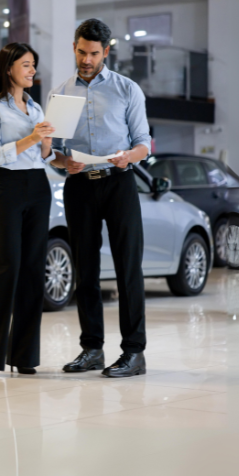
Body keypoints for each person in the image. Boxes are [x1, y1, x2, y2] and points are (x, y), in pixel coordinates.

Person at [49, 19, 152, 378]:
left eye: (93, 53)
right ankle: (91, 348)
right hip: (79, 185)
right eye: (81, 52)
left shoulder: (127, 89)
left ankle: (134, 353)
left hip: (120, 182)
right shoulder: (61, 93)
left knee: (128, 269)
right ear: (74, 48)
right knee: (86, 269)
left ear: (106, 52)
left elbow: (144, 143)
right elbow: (53, 151)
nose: (86, 59)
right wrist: (66, 163)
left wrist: (129, 156)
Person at [0, 42, 55, 378]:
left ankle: (24, 356)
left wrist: (47, 140)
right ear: (9, 68)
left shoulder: (36, 109)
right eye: (26, 65)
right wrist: (32, 139)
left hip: (38, 186)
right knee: (9, 267)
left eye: (33, 64)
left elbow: (45, 155)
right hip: (6, 186)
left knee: (34, 271)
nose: (32, 70)